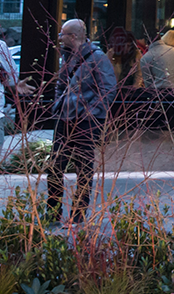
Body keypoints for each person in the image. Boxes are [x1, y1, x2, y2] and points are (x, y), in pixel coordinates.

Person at [47, 19, 117, 223]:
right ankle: (53, 213)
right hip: (64, 119)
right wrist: (59, 104)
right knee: (54, 167)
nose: (59, 38)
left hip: (85, 122)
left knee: (83, 169)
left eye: (62, 34)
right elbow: (60, 84)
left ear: (73, 36)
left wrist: (89, 113)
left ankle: (78, 216)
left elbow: (108, 90)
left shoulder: (98, 58)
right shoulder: (68, 57)